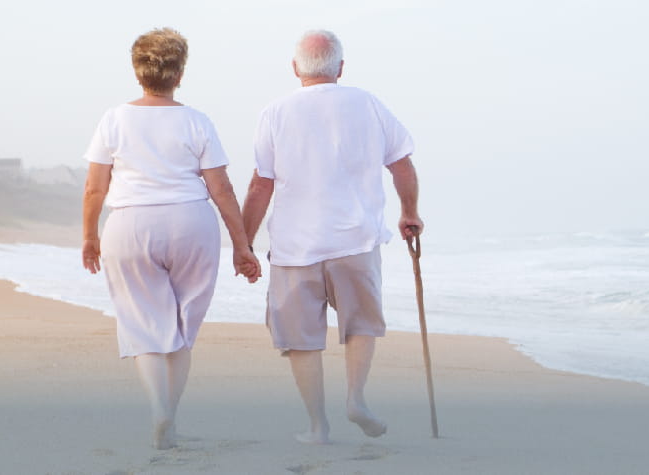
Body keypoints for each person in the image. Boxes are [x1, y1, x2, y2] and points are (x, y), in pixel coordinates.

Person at [81, 27, 261, 450]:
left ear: (137, 71)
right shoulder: (196, 121)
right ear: (179, 74)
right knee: (181, 330)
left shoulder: (114, 119)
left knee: (145, 326)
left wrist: (90, 235)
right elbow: (222, 190)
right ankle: (171, 423)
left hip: (130, 225)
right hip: (191, 225)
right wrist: (241, 245)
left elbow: (94, 188)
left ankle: (160, 413)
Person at [241, 29, 422, 444]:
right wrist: (409, 212)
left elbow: (260, 185)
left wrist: (244, 243)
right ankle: (356, 398)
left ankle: (317, 427)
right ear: (341, 67)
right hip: (355, 240)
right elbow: (403, 166)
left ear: (295, 69)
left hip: (294, 247)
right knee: (359, 324)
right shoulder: (368, 103)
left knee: (303, 337)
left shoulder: (275, 112)